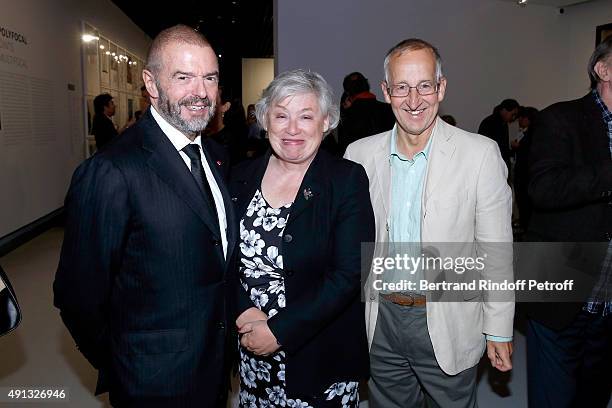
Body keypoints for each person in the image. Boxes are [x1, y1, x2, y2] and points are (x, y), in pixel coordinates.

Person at [54, 24, 237, 407]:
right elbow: (78, 295)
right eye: (183, 77)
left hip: (213, 369)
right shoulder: (111, 171)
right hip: (151, 385)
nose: (201, 92)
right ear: (151, 84)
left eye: (210, 78)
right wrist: (126, 367)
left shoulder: (216, 157)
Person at [345, 38, 514, 408]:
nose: (414, 99)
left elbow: (495, 252)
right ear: (386, 92)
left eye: (425, 85)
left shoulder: (480, 154)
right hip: (380, 317)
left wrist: (498, 328)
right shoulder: (357, 156)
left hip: (447, 316)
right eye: (402, 87)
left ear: (441, 87)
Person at [230, 69, 375, 407]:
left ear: (326, 122)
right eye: (281, 115)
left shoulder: (346, 180)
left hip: (320, 357)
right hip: (254, 353)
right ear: (265, 120)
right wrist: (243, 313)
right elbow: (222, 258)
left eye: (306, 116)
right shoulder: (238, 177)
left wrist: (279, 331)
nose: (292, 129)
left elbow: (349, 274)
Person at [525, 36, 612, 407]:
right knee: (554, 398)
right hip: (559, 287)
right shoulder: (559, 118)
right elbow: (541, 189)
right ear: (602, 69)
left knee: (593, 397)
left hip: (609, 301)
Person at [337, 71, 395, 154]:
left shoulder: (347, 116)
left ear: (348, 93)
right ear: (366, 85)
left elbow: (342, 147)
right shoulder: (389, 109)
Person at [512, 106, 538, 232]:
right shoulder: (533, 132)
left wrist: (518, 146)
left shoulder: (531, 134)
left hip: (525, 174)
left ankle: (526, 226)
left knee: (523, 201)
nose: (519, 121)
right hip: (528, 174)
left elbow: (527, 152)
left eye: (521, 118)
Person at [478, 98, 520, 166]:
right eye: (512, 114)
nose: (513, 118)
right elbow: (498, 147)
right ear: (504, 110)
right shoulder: (491, 123)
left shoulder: (501, 122)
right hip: (492, 162)